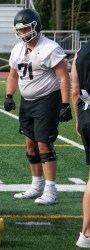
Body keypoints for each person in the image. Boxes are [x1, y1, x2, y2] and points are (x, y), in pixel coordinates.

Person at [4, 8, 72, 205]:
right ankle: (36, 185)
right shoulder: (17, 49)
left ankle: (51, 189)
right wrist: (9, 95)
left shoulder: (50, 47)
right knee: (30, 145)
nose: (23, 33)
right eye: (21, 30)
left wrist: (65, 104)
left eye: (26, 29)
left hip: (47, 100)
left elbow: (63, 76)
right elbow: (13, 75)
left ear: (36, 26)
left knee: (44, 144)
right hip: (27, 101)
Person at [71, 41, 90, 248]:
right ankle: (86, 234)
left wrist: (78, 119)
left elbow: (75, 90)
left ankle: (86, 233)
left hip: (86, 114)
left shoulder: (80, 51)